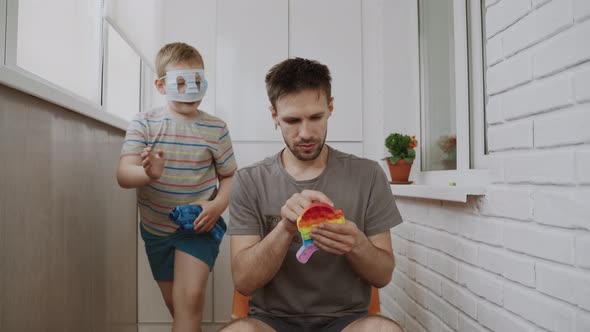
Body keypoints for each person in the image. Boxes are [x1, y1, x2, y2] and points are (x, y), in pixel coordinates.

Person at [222, 58, 403, 332]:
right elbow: (244, 282)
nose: (305, 133)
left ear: (330, 108)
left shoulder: (368, 175)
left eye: (315, 117)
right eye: (292, 120)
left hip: (347, 321)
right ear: (274, 115)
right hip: (271, 321)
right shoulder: (249, 181)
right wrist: (284, 229)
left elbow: (383, 275)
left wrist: (356, 244)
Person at [116, 42, 237, 332]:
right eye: (180, 82)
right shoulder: (144, 123)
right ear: (160, 85)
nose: (190, 90)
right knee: (179, 309)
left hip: (198, 226)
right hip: (156, 230)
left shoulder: (216, 129)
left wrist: (218, 205)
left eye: (197, 81)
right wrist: (149, 174)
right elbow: (123, 174)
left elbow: (231, 176)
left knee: (190, 302)